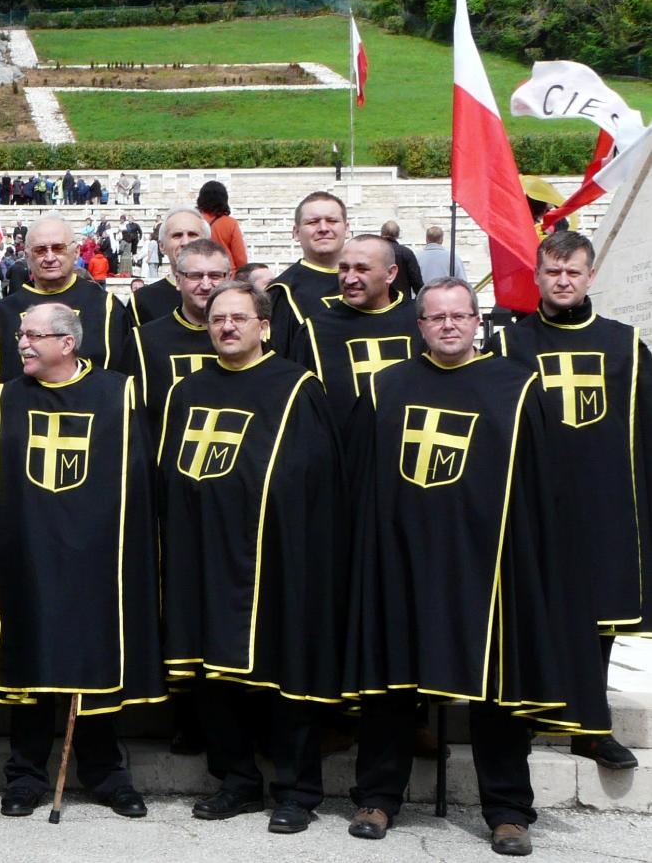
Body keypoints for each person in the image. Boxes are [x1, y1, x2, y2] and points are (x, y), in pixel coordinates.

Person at [345, 277, 609, 856]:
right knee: (390, 683)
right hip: (402, 559)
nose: (447, 325)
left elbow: (541, 491)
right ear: (419, 326)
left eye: (458, 316)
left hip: (490, 566)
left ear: (477, 322)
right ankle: (377, 797)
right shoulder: (387, 388)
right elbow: (364, 483)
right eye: (434, 317)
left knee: (498, 689)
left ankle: (508, 809)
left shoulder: (516, 389)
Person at [157, 281, 347, 834]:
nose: (228, 328)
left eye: (239, 318)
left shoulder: (297, 388)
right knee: (213, 674)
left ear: (264, 326)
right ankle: (236, 780)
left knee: (285, 675)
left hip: (273, 561)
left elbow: (313, 482)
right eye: (218, 320)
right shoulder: (186, 391)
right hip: (202, 556)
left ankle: (295, 790)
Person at [0, 302, 165, 820]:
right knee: (30, 656)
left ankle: (105, 772)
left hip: (95, 555)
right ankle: (25, 774)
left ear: (67, 343)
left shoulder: (116, 392)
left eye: (34, 336)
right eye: (20, 334)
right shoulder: (8, 398)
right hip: (27, 554)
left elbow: (135, 481)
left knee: (93, 660)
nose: (22, 343)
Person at [498, 231, 651, 770]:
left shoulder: (625, 343)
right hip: (532, 502)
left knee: (600, 614)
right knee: (533, 607)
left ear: (590, 277)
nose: (563, 281)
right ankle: (529, 713)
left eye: (573, 272)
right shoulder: (508, 345)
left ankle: (591, 725)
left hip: (606, 500)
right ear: (536, 276)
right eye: (553, 271)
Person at [0, 214, 132, 393]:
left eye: (58, 248)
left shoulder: (106, 307)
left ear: (76, 252)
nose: (49, 257)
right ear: (27, 256)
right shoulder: (1, 313)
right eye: (40, 250)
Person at [290, 235, 423, 423]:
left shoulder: (421, 321)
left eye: (362, 269)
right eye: (344, 268)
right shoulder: (315, 331)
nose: (350, 279)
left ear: (390, 274)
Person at [121, 239, 230, 435]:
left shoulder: (245, 339)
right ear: (178, 281)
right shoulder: (144, 340)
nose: (206, 285)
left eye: (215, 276)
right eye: (195, 276)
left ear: (228, 279)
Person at [266, 191, 348, 353]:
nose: (323, 228)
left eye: (332, 221)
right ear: (296, 232)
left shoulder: (371, 280)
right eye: (312, 222)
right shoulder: (282, 292)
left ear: (347, 228)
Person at [132, 208, 208, 325]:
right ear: (162, 246)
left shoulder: (227, 297)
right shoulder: (142, 301)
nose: (185, 242)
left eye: (193, 235)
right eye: (177, 235)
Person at [197, 181, 248, 270]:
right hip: (226, 274)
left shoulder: (194, 221)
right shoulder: (231, 223)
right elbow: (240, 258)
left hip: (199, 270)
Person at [378, 221, 424, 298]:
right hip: (402, 301)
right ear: (398, 234)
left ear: (382, 233)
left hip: (378, 302)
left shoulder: (373, 252)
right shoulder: (407, 253)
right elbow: (416, 280)